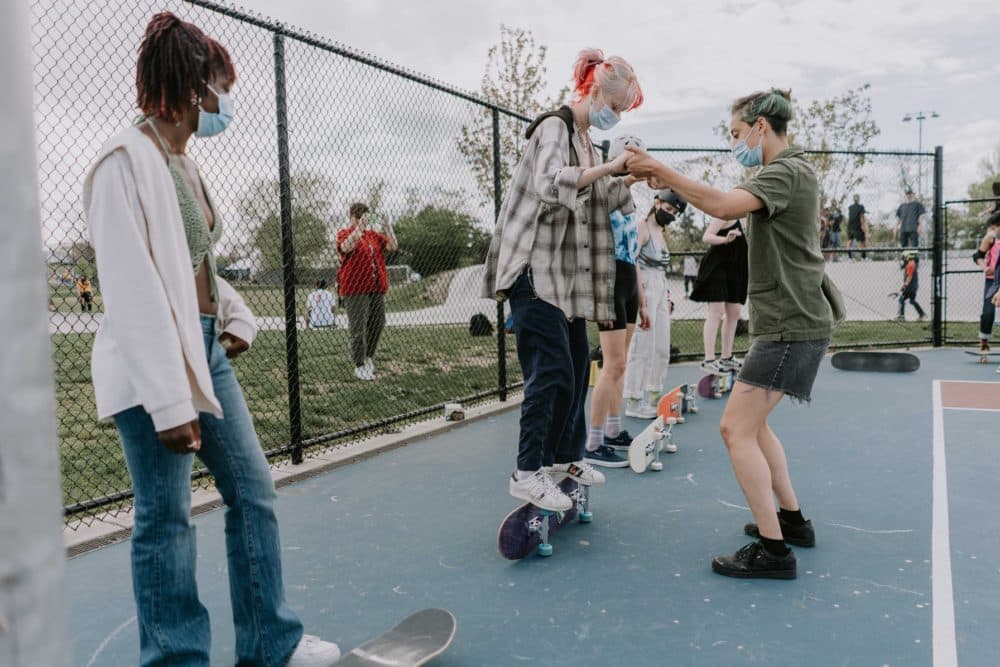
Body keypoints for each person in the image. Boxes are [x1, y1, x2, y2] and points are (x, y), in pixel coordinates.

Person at [82, 13, 340, 665]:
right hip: (150, 366)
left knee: (252, 489)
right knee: (165, 519)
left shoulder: (182, 162)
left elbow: (195, 265)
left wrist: (233, 317)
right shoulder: (123, 161)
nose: (227, 102)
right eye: (222, 86)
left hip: (201, 351)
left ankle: (270, 642)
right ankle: (175, 658)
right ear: (194, 86)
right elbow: (135, 289)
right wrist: (169, 402)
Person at [625, 88, 844, 580]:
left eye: (736, 134)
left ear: (761, 127)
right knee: (756, 425)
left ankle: (774, 552)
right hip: (789, 322)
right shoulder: (785, 173)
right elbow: (723, 208)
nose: (734, 143)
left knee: (735, 429)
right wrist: (666, 177)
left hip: (792, 325)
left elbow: (722, 203)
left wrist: (661, 172)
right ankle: (792, 523)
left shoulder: (785, 172)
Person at [482, 48, 643, 510]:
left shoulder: (586, 139)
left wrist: (628, 179)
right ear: (594, 92)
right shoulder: (554, 126)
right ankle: (527, 469)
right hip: (532, 269)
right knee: (549, 371)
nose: (615, 115)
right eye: (615, 107)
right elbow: (551, 182)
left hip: (563, 276)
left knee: (575, 367)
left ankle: (561, 459)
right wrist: (610, 168)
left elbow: (596, 199)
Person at [584, 136, 649, 468]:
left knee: (621, 364)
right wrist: (630, 172)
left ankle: (612, 430)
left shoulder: (629, 198)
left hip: (628, 283)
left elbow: (634, 253)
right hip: (607, 282)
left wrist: (645, 301)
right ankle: (592, 442)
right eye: (629, 153)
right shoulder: (604, 187)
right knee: (613, 365)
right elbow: (607, 190)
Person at [623, 192, 685, 422]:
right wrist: (642, 303)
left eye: (674, 213)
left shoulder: (662, 231)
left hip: (660, 287)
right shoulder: (642, 226)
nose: (670, 215)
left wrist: (666, 296)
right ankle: (633, 399)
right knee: (642, 347)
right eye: (668, 209)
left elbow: (661, 270)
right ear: (657, 203)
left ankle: (653, 395)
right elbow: (634, 262)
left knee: (661, 347)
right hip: (644, 287)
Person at [336, 203, 397, 381]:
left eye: (365, 216)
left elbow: (393, 246)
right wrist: (359, 229)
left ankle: (368, 356)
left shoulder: (372, 236)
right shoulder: (345, 233)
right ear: (352, 217)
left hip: (376, 288)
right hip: (355, 289)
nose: (363, 219)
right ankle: (359, 364)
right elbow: (346, 247)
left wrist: (387, 226)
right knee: (358, 328)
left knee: (378, 322)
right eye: (359, 216)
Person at [688, 215, 748, 375]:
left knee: (734, 314)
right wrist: (725, 240)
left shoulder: (753, 221)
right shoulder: (727, 213)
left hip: (738, 270)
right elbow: (706, 236)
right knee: (717, 312)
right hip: (718, 266)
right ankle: (708, 360)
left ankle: (726, 358)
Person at [973, 213, 1000, 351]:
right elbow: (977, 256)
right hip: (992, 280)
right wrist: (985, 267)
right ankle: (984, 341)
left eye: (995, 227)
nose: (993, 230)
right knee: (988, 312)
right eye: (993, 227)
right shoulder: (991, 237)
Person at [897, 249, 926, 321]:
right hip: (914, 286)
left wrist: (904, 287)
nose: (903, 259)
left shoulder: (910, 265)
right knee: (912, 301)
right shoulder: (912, 263)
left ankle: (901, 316)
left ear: (908, 257)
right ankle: (922, 314)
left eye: (904, 257)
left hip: (910, 287)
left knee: (901, 299)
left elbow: (909, 277)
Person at [846, 194, 869, 260]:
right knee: (863, 242)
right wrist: (863, 227)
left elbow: (851, 216)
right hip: (857, 227)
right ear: (858, 199)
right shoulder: (861, 207)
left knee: (849, 241)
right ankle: (864, 257)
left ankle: (849, 257)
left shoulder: (850, 207)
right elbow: (861, 217)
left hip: (850, 226)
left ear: (854, 199)